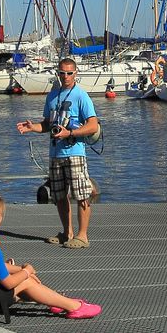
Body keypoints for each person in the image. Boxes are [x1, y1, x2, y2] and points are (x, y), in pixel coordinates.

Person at [0, 189, 101, 321]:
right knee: (26, 282)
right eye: (1, 215)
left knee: (24, 280)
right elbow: (8, 283)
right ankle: (74, 307)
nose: (2, 219)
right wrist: (26, 271)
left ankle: (59, 301)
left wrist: (19, 269)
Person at [16, 57, 99, 248]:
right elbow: (47, 124)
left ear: (76, 73)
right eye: (62, 73)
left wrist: (70, 132)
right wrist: (32, 127)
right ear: (58, 73)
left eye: (70, 73)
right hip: (55, 154)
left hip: (75, 152)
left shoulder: (81, 95)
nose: (66, 76)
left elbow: (93, 125)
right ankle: (66, 232)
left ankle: (83, 236)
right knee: (59, 195)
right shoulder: (53, 95)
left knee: (81, 194)